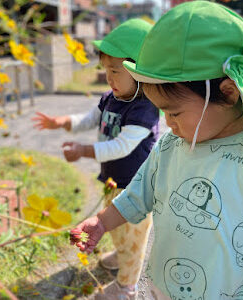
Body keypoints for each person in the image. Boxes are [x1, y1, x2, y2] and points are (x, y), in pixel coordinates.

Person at [70, 2, 243, 299]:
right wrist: (102, 222)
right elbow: (138, 194)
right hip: (161, 288)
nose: (167, 123)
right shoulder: (170, 146)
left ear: (228, 93)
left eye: (174, 113)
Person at [32, 18, 160, 300]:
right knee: (114, 226)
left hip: (136, 190)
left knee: (134, 240)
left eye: (116, 71)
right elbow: (91, 118)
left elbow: (121, 146)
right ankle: (120, 250)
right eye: (106, 70)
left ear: (139, 72)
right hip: (113, 183)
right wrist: (63, 121)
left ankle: (126, 288)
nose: (109, 78)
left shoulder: (144, 108)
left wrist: (84, 150)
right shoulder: (111, 97)